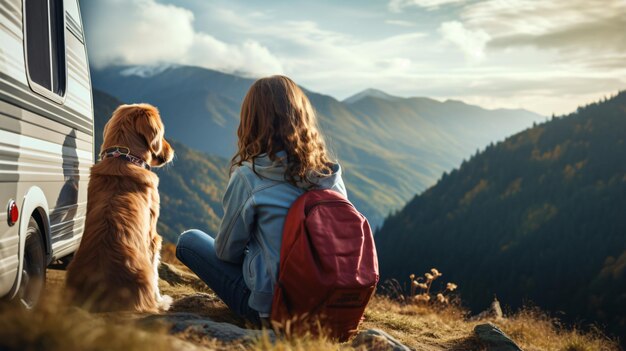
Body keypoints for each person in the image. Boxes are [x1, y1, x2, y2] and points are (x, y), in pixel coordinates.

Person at [175, 75, 347, 325]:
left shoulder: (250, 175)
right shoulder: (329, 174)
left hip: (271, 310)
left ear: (252, 121)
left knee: (188, 240)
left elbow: (226, 252)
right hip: (329, 305)